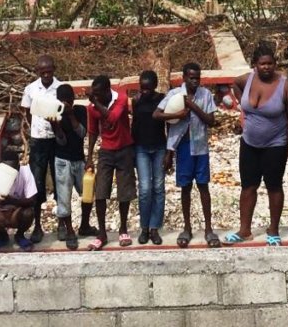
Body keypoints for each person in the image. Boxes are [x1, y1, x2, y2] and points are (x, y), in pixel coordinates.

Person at [223, 43, 288, 247]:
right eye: (262, 64)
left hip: (275, 143)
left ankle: (273, 229)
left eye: (270, 63)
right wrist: (243, 108)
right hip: (249, 142)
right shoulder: (246, 80)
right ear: (255, 65)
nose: (266, 67)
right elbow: (234, 84)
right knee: (248, 185)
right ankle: (244, 229)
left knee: (274, 186)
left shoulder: (285, 85)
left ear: (275, 64)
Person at [156, 62, 218, 248]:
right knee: (185, 187)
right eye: (191, 78)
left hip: (200, 146)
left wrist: (193, 106)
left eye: (197, 78)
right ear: (184, 77)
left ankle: (208, 228)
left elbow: (211, 121)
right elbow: (157, 115)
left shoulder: (205, 95)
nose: (195, 81)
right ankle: (187, 227)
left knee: (203, 186)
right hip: (182, 146)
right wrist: (178, 115)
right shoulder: (174, 95)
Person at [86, 74, 136, 250]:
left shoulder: (121, 98)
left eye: (99, 94)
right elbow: (92, 131)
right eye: (95, 94)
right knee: (100, 191)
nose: (97, 97)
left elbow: (113, 118)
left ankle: (123, 228)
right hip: (106, 151)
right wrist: (89, 156)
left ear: (108, 90)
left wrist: (96, 103)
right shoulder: (92, 107)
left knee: (124, 191)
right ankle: (102, 233)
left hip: (124, 149)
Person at [20, 55, 62, 243]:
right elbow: (26, 113)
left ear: (54, 69)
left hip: (56, 140)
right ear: (37, 71)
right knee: (36, 183)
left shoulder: (60, 88)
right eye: (42, 72)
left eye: (49, 71)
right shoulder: (30, 89)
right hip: (38, 141)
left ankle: (62, 224)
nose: (46, 74)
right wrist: (32, 132)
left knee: (60, 181)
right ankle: (37, 226)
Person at [51, 84, 96, 250]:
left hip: (79, 159)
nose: (65, 104)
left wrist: (70, 116)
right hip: (62, 160)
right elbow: (61, 141)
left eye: (68, 100)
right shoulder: (54, 114)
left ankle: (84, 225)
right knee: (64, 196)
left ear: (73, 99)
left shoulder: (80, 111)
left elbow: (82, 133)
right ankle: (70, 230)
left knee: (88, 193)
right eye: (62, 101)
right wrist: (56, 126)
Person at [131, 70, 166, 246]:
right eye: (142, 88)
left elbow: (169, 123)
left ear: (154, 86)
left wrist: (170, 151)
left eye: (148, 89)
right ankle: (144, 227)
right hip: (141, 148)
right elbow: (134, 125)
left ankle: (154, 227)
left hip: (159, 146)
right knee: (145, 189)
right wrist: (131, 151)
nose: (144, 92)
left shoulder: (162, 99)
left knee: (158, 187)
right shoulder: (136, 101)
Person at [0, 150, 37, 252]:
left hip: (15, 213)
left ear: (18, 167)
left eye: (12, 169)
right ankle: (1, 236)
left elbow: (32, 200)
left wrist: (12, 201)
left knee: (28, 213)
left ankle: (20, 236)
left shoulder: (25, 172)